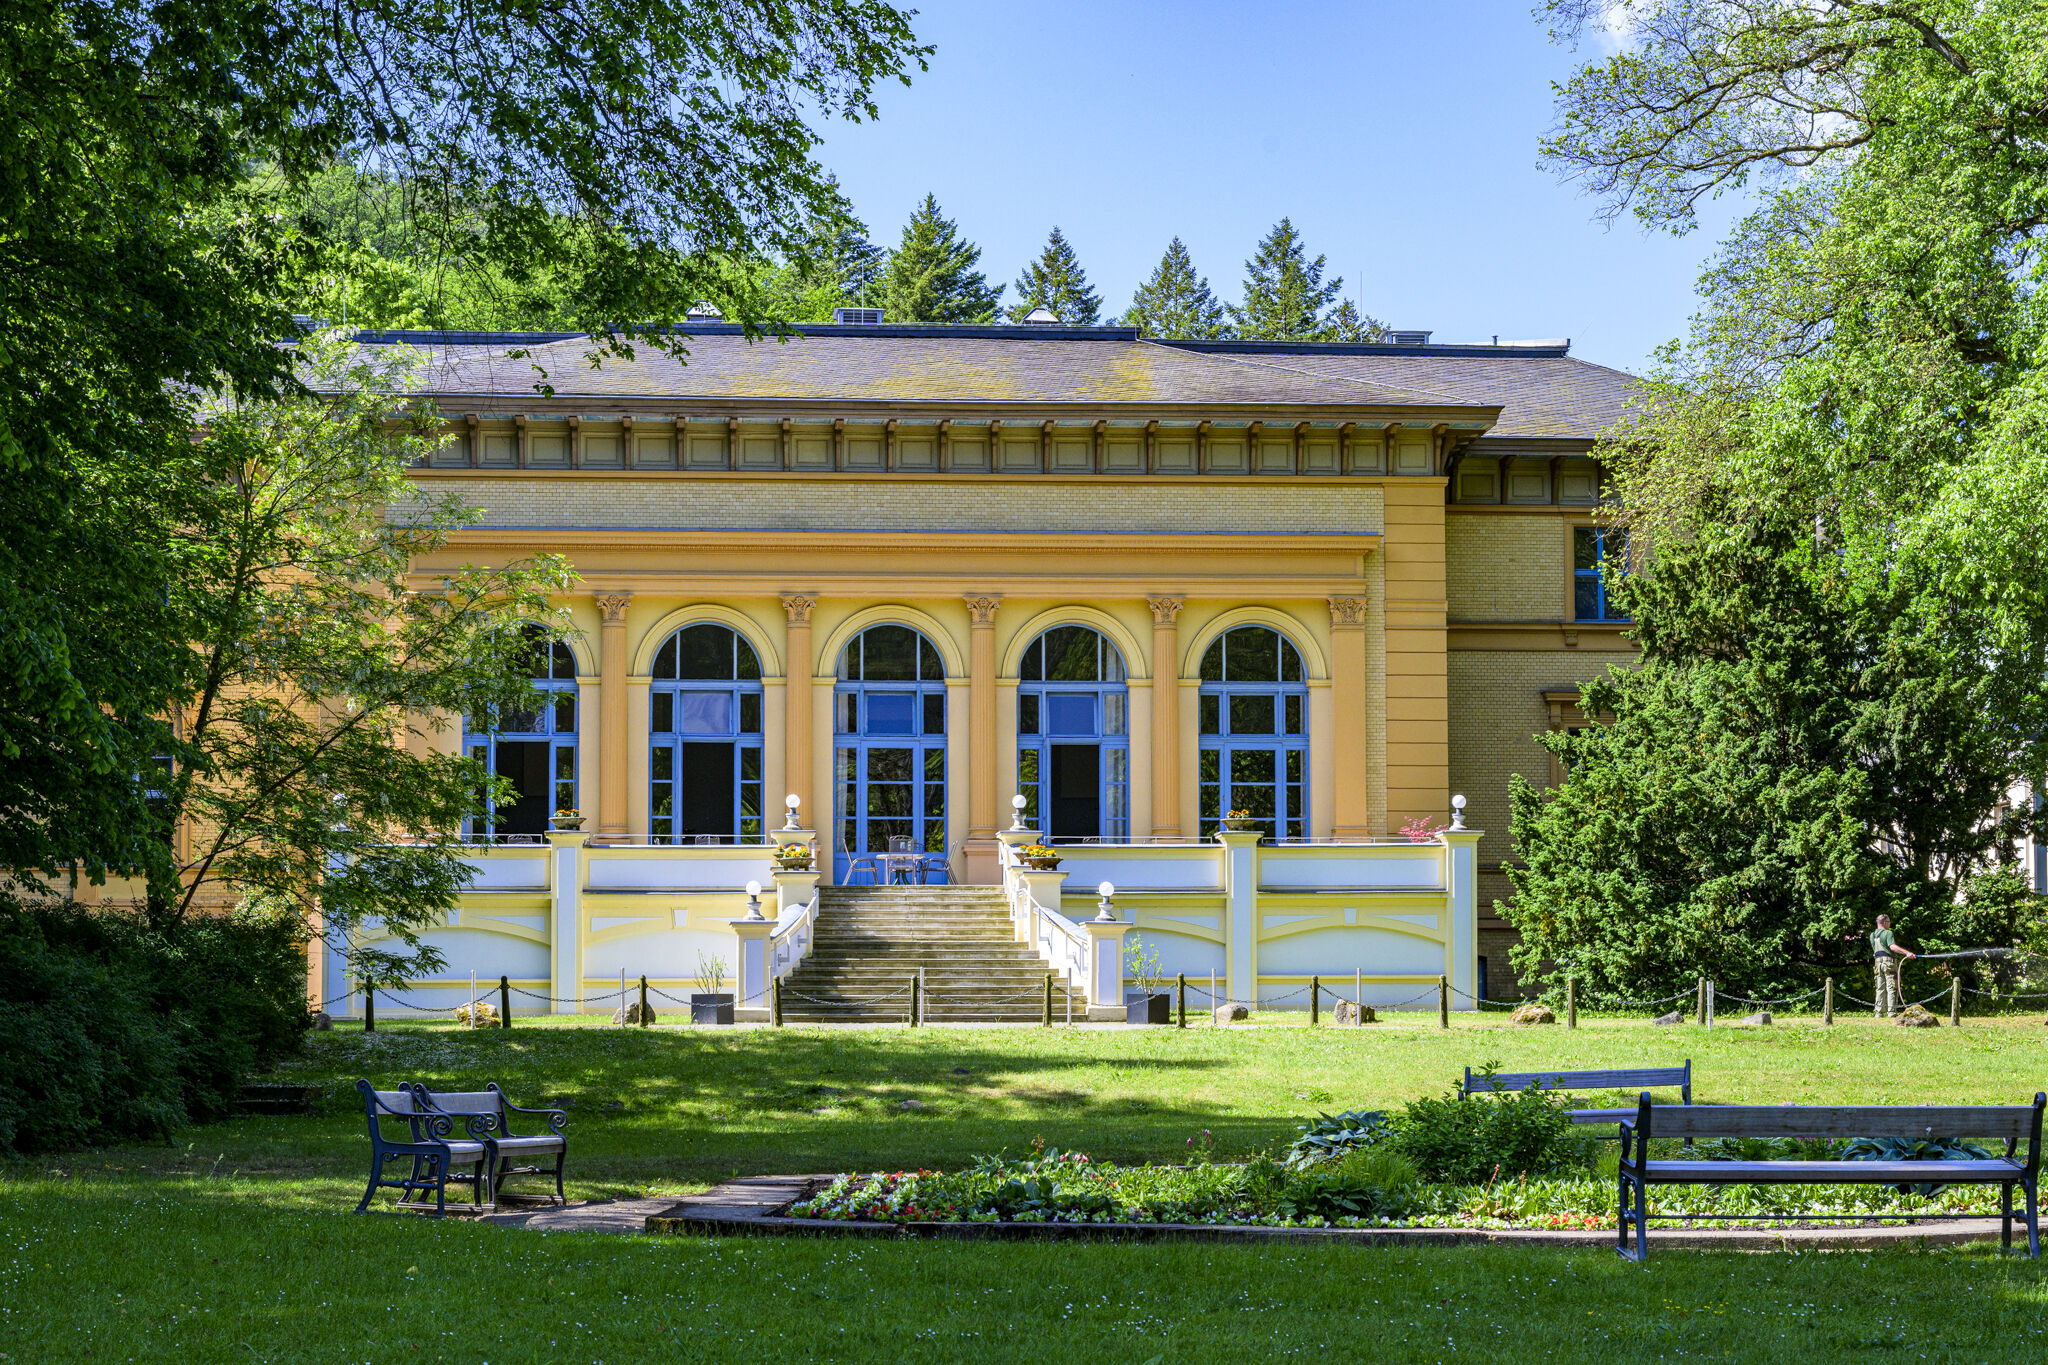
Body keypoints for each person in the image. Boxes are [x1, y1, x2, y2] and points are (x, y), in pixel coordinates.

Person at [1871, 915, 1917, 1018]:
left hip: (1877, 963)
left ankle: (1879, 1013)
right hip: (1888, 963)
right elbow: (1892, 947)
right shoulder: (1888, 933)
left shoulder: (1872, 935)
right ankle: (1891, 1012)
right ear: (1884, 922)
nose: (1889, 924)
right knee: (1891, 987)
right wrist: (1907, 953)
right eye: (1889, 921)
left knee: (1880, 988)